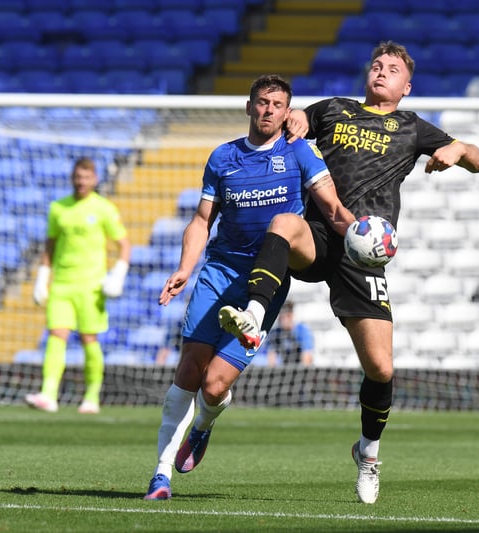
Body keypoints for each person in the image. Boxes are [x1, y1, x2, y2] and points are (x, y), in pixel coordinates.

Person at [220, 41, 479, 504]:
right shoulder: (336, 109)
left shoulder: (412, 128)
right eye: (377, 65)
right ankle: (255, 318)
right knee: (284, 223)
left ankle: (368, 452)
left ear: (407, 86)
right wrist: (298, 116)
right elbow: (294, 118)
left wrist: (459, 148)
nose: (381, 71)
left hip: (363, 252)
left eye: (393, 68)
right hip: (321, 232)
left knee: (380, 368)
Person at [143, 74, 355, 500]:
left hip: (267, 279)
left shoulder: (299, 152)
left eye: (277, 104)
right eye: (262, 102)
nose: (268, 110)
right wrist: (186, 267)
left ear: (287, 110)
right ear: (249, 106)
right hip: (219, 270)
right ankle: (160, 473)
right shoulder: (223, 158)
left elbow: (330, 206)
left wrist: (360, 233)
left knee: (215, 386)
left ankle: (202, 427)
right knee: (189, 367)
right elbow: (202, 221)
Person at [24, 157, 131, 415]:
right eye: (77, 177)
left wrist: (117, 274)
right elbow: (49, 246)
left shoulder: (104, 208)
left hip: (91, 286)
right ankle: (48, 394)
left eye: (85, 177)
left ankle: (92, 396)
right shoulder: (58, 208)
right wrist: (42, 278)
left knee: (88, 338)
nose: (80, 182)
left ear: (94, 180)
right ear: (72, 178)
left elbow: (124, 245)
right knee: (56, 335)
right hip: (62, 284)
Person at [265, 301, 314, 366]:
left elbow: (307, 358)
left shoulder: (302, 330)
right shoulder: (274, 334)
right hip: (285, 370)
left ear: (292, 315)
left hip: (301, 369)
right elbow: (271, 360)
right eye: (282, 316)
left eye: (288, 315)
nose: (285, 318)